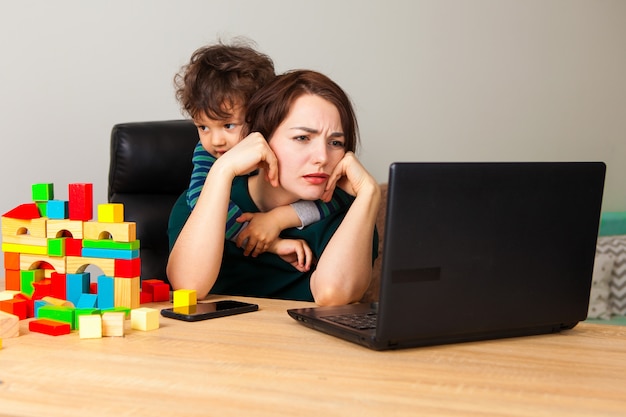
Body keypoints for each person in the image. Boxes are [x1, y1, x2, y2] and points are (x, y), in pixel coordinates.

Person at [167, 70, 381, 306]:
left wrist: (369, 194)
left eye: (335, 143)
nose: (322, 157)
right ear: (259, 137)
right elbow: (189, 288)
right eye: (302, 138)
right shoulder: (199, 201)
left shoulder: (352, 216)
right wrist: (222, 170)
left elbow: (334, 295)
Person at [175, 40, 351, 259]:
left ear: (261, 117)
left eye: (229, 125)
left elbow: (341, 195)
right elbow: (205, 204)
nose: (216, 141)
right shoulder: (208, 155)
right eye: (203, 127)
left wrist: (281, 218)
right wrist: (271, 244)